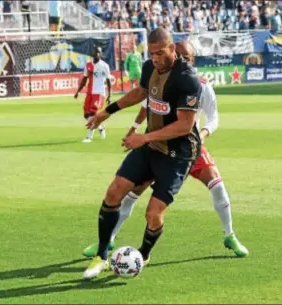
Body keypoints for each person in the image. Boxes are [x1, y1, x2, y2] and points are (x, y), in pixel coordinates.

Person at [82, 41, 248, 259]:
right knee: (130, 193)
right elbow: (144, 103)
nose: (183, 60)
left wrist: (204, 134)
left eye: (187, 57)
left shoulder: (200, 84)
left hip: (190, 146)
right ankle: (108, 239)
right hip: (157, 144)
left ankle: (230, 235)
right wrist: (133, 129)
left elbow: (213, 117)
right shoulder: (159, 77)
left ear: (192, 60)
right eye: (180, 56)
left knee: (217, 185)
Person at [82, 27, 202, 279]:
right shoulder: (150, 68)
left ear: (172, 49)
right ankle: (101, 256)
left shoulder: (187, 78)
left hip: (178, 154)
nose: (155, 58)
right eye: (151, 53)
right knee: (114, 191)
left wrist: (142, 137)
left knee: (153, 213)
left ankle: (144, 254)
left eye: (160, 53)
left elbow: (184, 125)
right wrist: (108, 110)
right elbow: (140, 93)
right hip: (151, 147)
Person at [74, 46, 112, 143]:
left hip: (99, 93)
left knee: (92, 113)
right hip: (90, 93)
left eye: (99, 52)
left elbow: (108, 81)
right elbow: (84, 79)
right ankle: (101, 127)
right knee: (86, 115)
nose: (97, 54)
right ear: (92, 53)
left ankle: (89, 137)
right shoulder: (88, 65)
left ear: (101, 54)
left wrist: (109, 95)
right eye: (96, 52)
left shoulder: (104, 66)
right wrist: (78, 91)